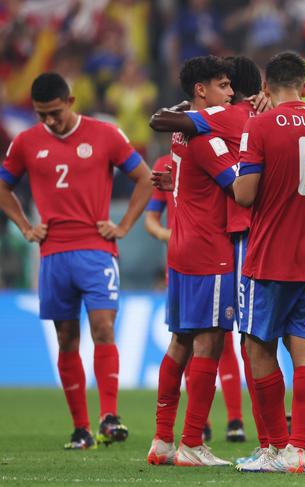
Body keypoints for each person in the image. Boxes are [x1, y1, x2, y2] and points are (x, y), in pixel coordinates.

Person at [0, 72, 152, 449]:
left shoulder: (106, 134)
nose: (49, 121)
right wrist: (23, 225)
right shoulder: (25, 143)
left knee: (103, 326)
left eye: (54, 112)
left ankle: (110, 417)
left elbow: (146, 178)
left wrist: (124, 225)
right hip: (52, 253)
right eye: (41, 115)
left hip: (96, 249)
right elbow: (3, 185)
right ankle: (81, 428)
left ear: (70, 101)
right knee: (66, 337)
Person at [232, 52, 305, 473]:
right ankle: (298, 450)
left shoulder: (257, 126)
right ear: (304, 87)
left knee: (257, 347)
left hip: (271, 256)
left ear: (265, 88)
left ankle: (275, 447)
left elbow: (244, 194)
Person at [145, 56, 237, 467]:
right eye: (222, 85)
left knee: (180, 341)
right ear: (201, 90)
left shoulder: (181, 136)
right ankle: (191, 443)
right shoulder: (206, 136)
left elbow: (187, 177)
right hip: (209, 251)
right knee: (210, 342)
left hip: (180, 248)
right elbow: (240, 189)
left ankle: (162, 440)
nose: (230, 93)